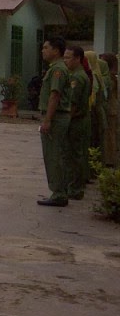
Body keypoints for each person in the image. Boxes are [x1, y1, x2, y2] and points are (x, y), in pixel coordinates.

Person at [37, 37, 72, 207]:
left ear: (56, 50)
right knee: (55, 155)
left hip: (56, 117)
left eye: (46, 47)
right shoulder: (56, 68)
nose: (42, 51)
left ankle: (59, 194)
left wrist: (48, 120)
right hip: (57, 117)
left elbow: (55, 95)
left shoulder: (58, 69)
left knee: (54, 156)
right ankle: (59, 191)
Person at [64, 46, 91, 201]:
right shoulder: (77, 75)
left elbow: (72, 104)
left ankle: (74, 188)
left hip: (76, 121)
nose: (65, 60)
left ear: (77, 59)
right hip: (79, 120)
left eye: (68, 58)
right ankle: (75, 186)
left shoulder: (77, 77)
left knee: (73, 155)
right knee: (75, 154)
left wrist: (67, 121)